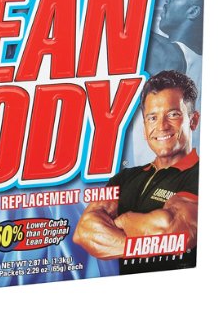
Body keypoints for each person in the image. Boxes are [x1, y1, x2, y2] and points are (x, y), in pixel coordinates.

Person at [73, 70, 199, 274]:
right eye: (152, 117)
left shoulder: (201, 175)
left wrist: (120, 223)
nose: (162, 126)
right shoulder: (124, 178)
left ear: (193, 120)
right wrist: (138, 241)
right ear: (145, 127)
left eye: (173, 114)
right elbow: (84, 231)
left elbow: (171, 232)